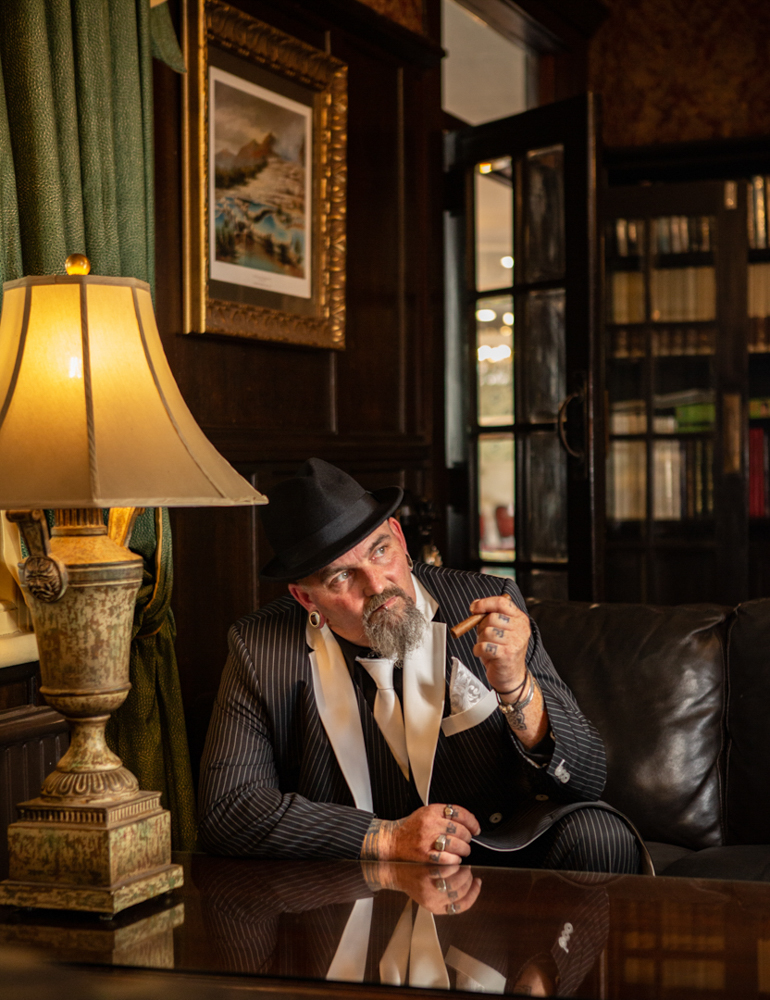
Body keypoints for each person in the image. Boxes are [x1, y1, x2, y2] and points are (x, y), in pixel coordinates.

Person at [199, 458, 648, 874]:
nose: (378, 585)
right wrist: (387, 839)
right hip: (361, 874)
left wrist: (516, 688)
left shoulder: (490, 604)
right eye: (341, 576)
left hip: (495, 852)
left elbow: (587, 776)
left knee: (600, 834)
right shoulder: (259, 648)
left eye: (379, 551)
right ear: (306, 598)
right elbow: (228, 809)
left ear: (399, 535)